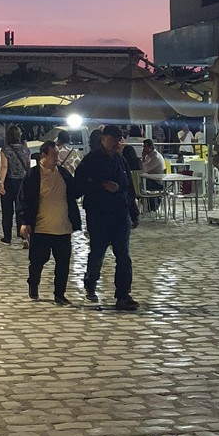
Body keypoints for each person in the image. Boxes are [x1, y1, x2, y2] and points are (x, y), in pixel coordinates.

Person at [74, 124, 140, 311]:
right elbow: (78, 186)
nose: (115, 144)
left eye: (118, 140)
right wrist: (101, 185)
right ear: (103, 140)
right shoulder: (91, 160)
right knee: (97, 253)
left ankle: (123, 295)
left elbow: (128, 189)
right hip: (99, 215)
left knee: (124, 257)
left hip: (120, 214)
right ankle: (90, 282)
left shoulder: (121, 160)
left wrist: (133, 213)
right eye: (112, 140)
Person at [17, 141, 82, 305]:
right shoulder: (33, 175)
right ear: (43, 155)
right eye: (54, 155)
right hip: (41, 228)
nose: (57, 158)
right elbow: (23, 200)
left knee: (63, 263)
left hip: (62, 227)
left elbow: (75, 192)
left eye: (57, 154)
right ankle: (33, 284)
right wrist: (24, 222)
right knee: (38, 261)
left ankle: (59, 294)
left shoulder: (63, 173)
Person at [0, 124, 31, 246]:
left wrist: (1, 183)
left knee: (7, 211)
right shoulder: (26, 149)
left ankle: (7, 237)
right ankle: (23, 237)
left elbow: (4, 166)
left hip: (9, 181)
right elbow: (28, 166)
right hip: (22, 182)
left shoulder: (5, 150)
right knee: (22, 210)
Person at [140, 138, 166, 211]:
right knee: (137, 184)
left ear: (150, 147)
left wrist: (143, 158)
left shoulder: (155, 157)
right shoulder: (149, 156)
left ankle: (152, 204)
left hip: (157, 182)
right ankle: (150, 204)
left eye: (145, 147)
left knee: (139, 186)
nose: (143, 149)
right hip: (150, 179)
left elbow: (144, 169)